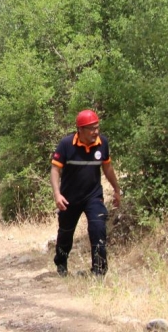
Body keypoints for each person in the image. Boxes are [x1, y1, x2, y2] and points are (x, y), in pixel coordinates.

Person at [50, 109, 121, 277]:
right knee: (65, 233)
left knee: (98, 228)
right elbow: (55, 170)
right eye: (91, 128)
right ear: (80, 129)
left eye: (97, 127)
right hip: (69, 198)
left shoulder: (102, 143)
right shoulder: (66, 144)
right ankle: (61, 263)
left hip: (93, 197)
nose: (95, 132)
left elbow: (107, 168)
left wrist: (117, 189)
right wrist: (57, 194)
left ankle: (99, 271)